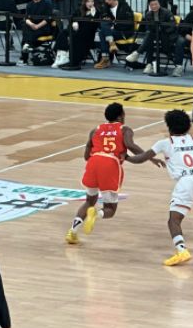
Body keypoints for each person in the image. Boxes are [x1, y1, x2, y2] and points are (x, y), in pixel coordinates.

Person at [125, 109, 193, 266]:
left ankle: (182, 250)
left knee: (173, 220)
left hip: (186, 182)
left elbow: (141, 158)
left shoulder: (165, 143)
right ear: (188, 126)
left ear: (169, 127)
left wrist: (126, 157)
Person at [65, 103, 164, 245]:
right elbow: (131, 146)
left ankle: (72, 232)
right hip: (110, 164)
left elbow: (87, 151)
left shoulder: (95, 130)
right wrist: (151, 158)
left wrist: (91, 158)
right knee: (110, 208)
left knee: (89, 201)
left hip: (93, 162)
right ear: (120, 116)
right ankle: (96, 214)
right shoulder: (124, 129)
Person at [126, 0, 177, 74]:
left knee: (149, 37)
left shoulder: (167, 12)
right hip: (154, 35)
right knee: (149, 38)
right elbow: (148, 28)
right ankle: (149, 64)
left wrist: (160, 30)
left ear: (159, 4)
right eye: (152, 5)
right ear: (149, 6)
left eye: (156, 4)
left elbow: (172, 27)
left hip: (166, 36)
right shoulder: (148, 14)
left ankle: (139, 55)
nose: (154, 6)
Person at [53, 0, 99, 68]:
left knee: (75, 37)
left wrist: (92, 15)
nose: (90, 3)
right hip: (76, 31)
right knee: (63, 33)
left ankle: (71, 60)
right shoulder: (80, 10)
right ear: (84, 2)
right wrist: (74, 22)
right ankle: (61, 55)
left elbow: (93, 27)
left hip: (87, 36)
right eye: (88, 1)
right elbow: (72, 18)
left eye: (92, 1)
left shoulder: (96, 12)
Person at [94, 0, 134, 69]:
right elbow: (103, 18)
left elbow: (128, 23)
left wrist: (115, 26)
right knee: (103, 25)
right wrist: (107, 20)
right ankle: (111, 43)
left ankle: (105, 58)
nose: (105, 1)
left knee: (102, 33)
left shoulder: (124, 7)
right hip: (111, 31)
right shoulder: (106, 7)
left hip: (123, 32)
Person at [19, 0, 52, 65]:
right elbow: (27, 18)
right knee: (25, 26)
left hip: (43, 27)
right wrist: (31, 24)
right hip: (32, 27)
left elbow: (47, 19)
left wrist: (37, 26)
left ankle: (24, 55)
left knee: (27, 35)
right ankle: (27, 47)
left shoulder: (47, 4)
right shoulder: (29, 5)